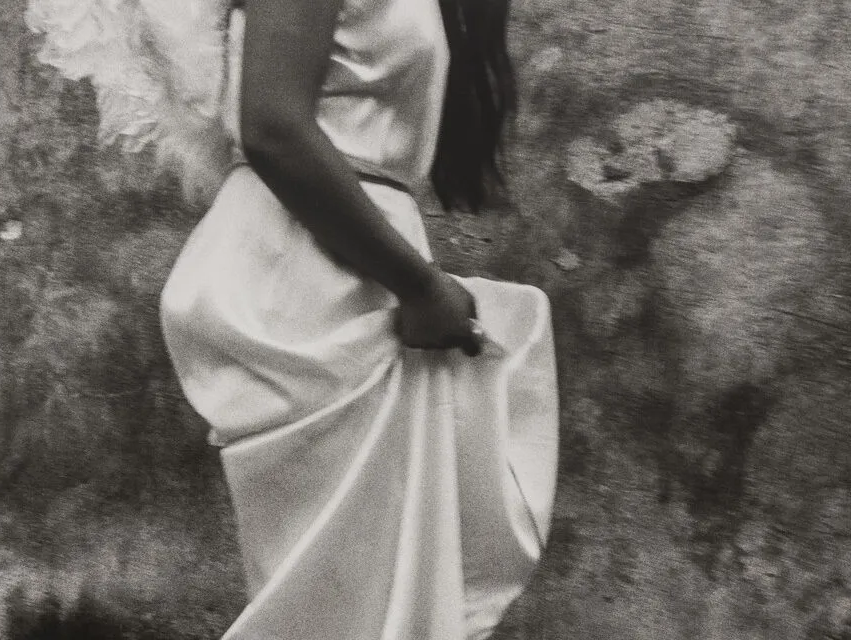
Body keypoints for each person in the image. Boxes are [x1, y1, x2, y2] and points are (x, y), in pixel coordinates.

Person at [156, 0, 560, 637]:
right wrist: (419, 285)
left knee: (362, 597)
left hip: (350, 269)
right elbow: (273, 127)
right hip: (307, 280)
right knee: (341, 605)